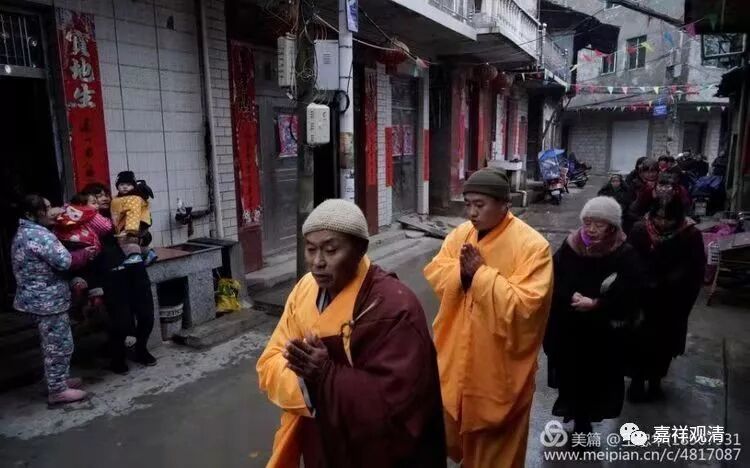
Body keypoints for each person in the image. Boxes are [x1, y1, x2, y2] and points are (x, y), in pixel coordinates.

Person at [257, 199, 445, 468]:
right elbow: (269, 363)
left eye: (331, 250)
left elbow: (399, 407)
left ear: (360, 249)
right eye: (310, 249)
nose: (318, 262)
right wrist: (309, 383)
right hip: (320, 443)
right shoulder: (304, 290)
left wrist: (324, 375)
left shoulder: (393, 306)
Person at [424, 168, 554, 468]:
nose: (471, 212)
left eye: (479, 205)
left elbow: (526, 307)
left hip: (498, 368)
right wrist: (461, 273)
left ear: (504, 204)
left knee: (497, 451)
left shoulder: (532, 246)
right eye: (468, 204)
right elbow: (437, 270)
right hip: (457, 357)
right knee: (453, 430)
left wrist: (481, 275)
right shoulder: (461, 235)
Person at [544, 197, 644, 435]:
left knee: (597, 379)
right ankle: (578, 417)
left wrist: (598, 304)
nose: (591, 229)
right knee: (571, 375)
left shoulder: (624, 252)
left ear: (612, 226)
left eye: (599, 224)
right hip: (571, 326)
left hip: (604, 332)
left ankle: (586, 420)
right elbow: (552, 277)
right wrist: (570, 295)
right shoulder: (572, 245)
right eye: (587, 222)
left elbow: (633, 290)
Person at [11, 195, 96, 405]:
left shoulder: (25, 232)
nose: (53, 211)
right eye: (46, 209)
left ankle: (59, 380)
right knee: (59, 345)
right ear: (30, 214)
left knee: (52, 343)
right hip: (47, 301)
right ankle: (57, 390)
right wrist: (84, 254)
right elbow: (65, 261)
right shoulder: (40, 235)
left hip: (38, 298)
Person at [627, 198, 705, 401]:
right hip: (643, 297)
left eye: (668, 219)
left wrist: (676, 282)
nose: (662, 223)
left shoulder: (690, 234)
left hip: (672, 300)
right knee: (638, 342)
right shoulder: (640, 230)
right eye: (658, 217)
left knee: (664, 344)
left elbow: (696, 269)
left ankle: (656, 382)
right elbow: (629, 260)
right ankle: (637, 382)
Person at [82, 183, 156, 374]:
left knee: (147, 316)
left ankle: (141, 349)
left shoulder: (122, 210)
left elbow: (145, 233)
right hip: (112, 277)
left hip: (136, 272)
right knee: (120, 322)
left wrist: (142, 236)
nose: (104, 198)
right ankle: (118, 358)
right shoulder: (88, 223)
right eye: (97, 196)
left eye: (105, 194)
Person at [54, 192, 113, 309]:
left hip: (69, 244)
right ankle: (96, 294)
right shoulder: (90, 212)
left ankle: (77, 283)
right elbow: (105, 228)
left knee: (78, 268)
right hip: (87, 243)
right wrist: (110, 220)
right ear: (82, 204)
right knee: (95, 266)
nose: (97, 206)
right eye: (94, 203)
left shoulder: (65, 210)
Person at [110, 171, 157, 265]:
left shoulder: (133, 198)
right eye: (122, 184)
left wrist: (130, 230)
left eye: (128, 185)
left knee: (126, 242)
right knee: (131, 242)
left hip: (135, 226)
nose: (125, 187)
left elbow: (133, 214)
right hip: (128, 225)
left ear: (134, 186)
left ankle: (134, 256)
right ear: (117, 186)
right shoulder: (119, 198)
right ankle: (148, 253)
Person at [624, 158, 660, 233]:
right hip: (639, 219)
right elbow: (631, 206)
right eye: (647, 172)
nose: (651, 174)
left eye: (653, 171)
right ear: (642, 173)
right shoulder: (634, 184)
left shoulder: (663, 184)